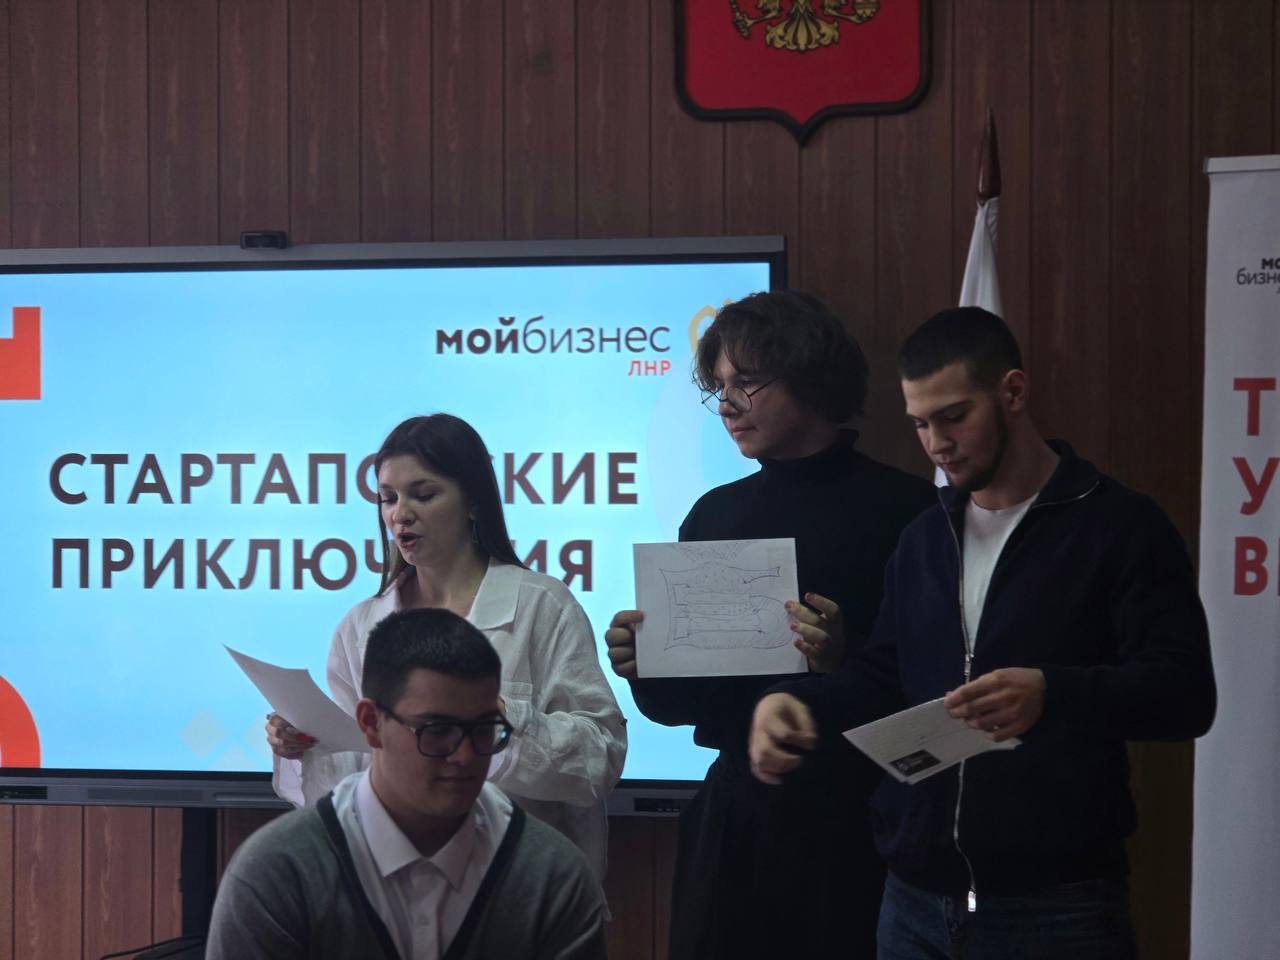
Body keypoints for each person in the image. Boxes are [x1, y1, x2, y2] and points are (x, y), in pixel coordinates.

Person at [749, 306, 1217, 959]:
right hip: (913, 899)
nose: (936, 443)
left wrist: (1050, 692)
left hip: (1057, 906)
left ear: (1013, 392)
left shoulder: (1120, 528)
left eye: (953, 416)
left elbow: (1185, 694)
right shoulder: (924, 538)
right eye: (920, 423)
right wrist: (796, 702)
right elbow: (884, 672)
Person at [604, 291, 936, 959]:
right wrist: (644, 663)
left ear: (811, 376)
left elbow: (937, 689)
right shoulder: (714, 514)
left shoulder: (907, 511)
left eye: (746, 382)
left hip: (859, 820)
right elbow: (680, 707)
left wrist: (844, 659)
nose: (727, 405)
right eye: (718, 387)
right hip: (734, 818)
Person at [268, 414, 626, 884]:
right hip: (393, 883)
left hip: (520, 884)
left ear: (473, 502)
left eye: (423, 494)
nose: (400, 514)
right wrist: (305, 744)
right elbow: (344, 786)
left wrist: (498, 719)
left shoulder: (542, 605)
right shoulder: (360, 626)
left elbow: (600, 759)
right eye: (388, 498)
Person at [211, 608, 607, 959]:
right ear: (370, 724)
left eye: (485, 730)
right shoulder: (279, 872)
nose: (465, 756)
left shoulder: (550, 875)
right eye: (437, 730)